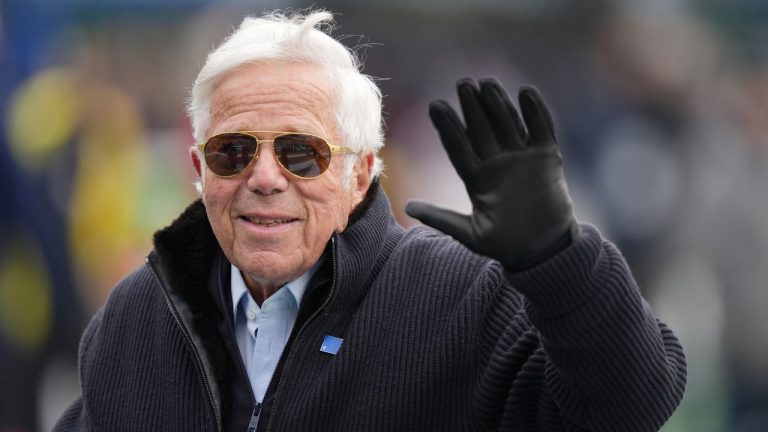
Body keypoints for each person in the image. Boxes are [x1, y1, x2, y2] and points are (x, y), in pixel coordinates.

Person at [54, 9, 686, 432]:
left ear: (360, 174)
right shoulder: (139, 317)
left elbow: (632, 404)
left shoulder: (461, 297)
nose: (265, 177)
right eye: (233, 151)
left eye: (301, 153)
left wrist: (559, 261)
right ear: (199, 167)